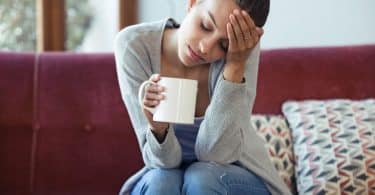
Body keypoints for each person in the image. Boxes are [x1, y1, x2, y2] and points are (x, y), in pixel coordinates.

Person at [114, 0, 291, 194]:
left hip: (230, 177)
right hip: (164, 174)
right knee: (162, 181)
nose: (205, 48)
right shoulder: (134, 45)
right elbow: (162, 162)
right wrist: (159, 129)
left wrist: (235, 65)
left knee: (201, 178)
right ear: (192, 3)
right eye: (206, 26)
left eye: (224, 46)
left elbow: (215, 154)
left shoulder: (241, 50)